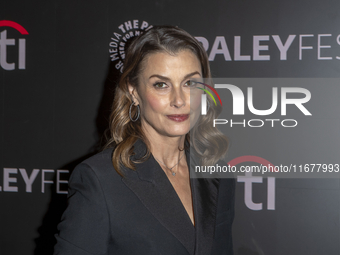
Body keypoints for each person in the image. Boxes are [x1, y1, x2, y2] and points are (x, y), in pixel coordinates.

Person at [54, 25, 235, 255]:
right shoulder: (100, 180)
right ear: (134, 92)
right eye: (161, 85)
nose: (179, 100)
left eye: (190, 83)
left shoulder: (216, 170)